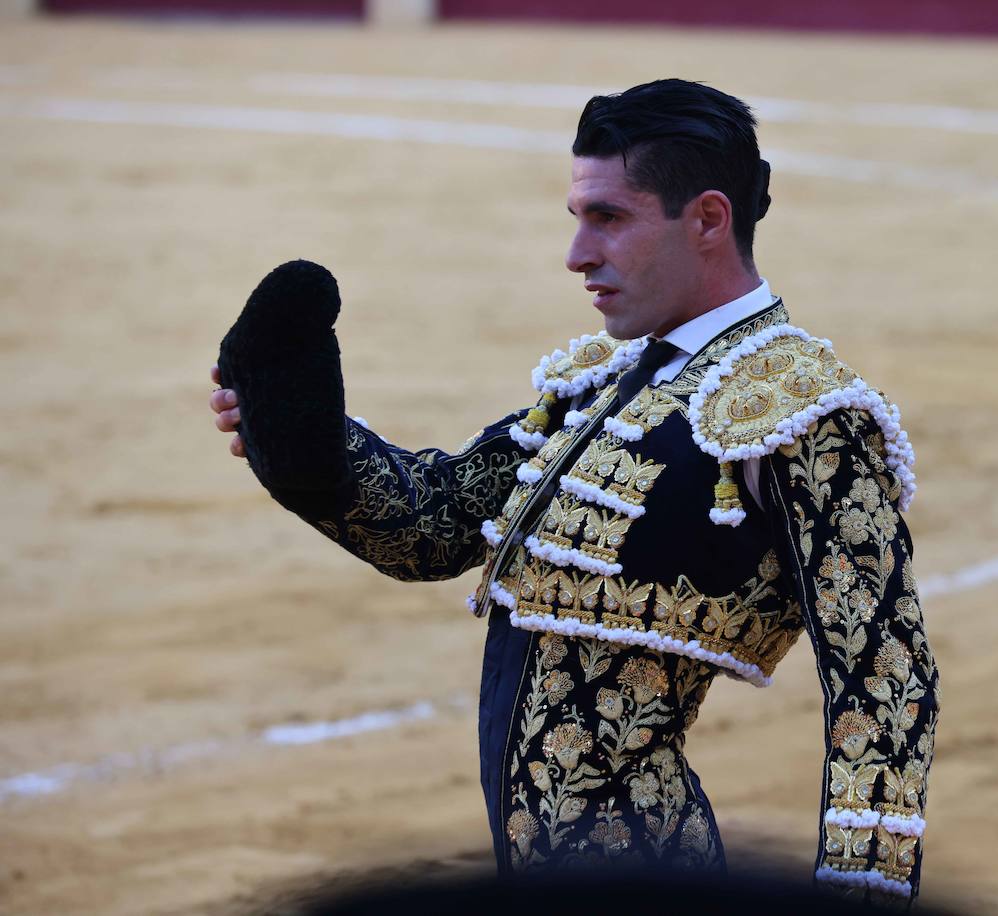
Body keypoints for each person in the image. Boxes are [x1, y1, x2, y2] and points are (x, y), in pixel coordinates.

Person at [210, 79, 939, 910]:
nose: (578, 255)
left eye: (610, 218)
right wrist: (309, 449)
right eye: (577, 220)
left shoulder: (802, 414)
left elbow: (886, 682)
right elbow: (436, 528)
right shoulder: (598, 382)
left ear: (707, 219)